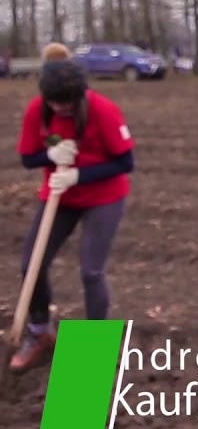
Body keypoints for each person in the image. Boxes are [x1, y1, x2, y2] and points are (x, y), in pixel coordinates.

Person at [10, 60, 134, 373]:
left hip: (104, 197)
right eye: (56, 103)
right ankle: (40, 333)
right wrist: (49, 154)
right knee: (31, 265)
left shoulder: (103, 111)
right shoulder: (37, 111)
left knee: (91, 271)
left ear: (80, 96)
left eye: (69, 104)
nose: (63, 109)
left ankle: (94, 347)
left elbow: (124, 163)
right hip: (60, 197)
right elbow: (27, 157)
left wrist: (79, 176)